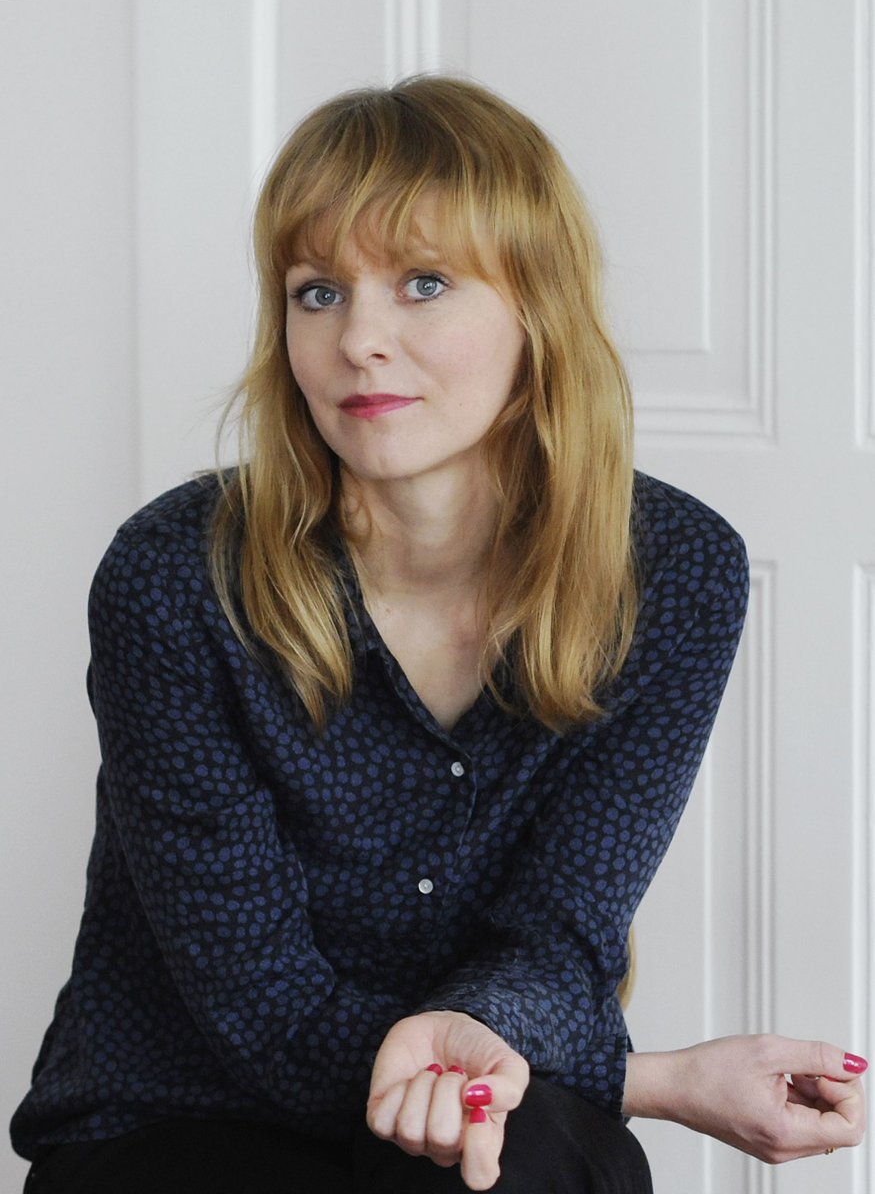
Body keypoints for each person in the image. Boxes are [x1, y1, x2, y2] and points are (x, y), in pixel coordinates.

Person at [11, 75, 866, 1194]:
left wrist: (489, 1045)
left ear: (537, 307)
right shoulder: (174, 576)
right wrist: (649, 1079)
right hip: (184, 1113)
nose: (359, 341)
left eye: (423, 283)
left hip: (497, 1089)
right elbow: (260, 1008)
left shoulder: (672, 570)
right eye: (318, 293)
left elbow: (559, 932)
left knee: (511, 1162)